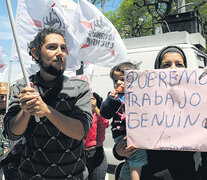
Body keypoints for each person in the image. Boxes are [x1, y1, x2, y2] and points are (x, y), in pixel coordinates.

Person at [3, 27, 92, 180]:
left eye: (63, 48)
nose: (60, 53)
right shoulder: (22, 87)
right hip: (30, 175)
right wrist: (25, 110)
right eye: (52, 47)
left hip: (73, 175)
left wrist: (47, 111)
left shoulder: (80, 87)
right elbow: (12, 133)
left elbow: (80, 131)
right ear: (36, 53)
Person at [113, 46, 198, 180]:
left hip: (185, 174)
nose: (173, 69)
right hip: (151, 175)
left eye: (179, 64)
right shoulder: (141, 98)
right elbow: (122, 134)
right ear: (157, 69)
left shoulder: (197, 100)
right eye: (166, 65)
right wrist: (119, 150)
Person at [100, 62, 148, 180]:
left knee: (130, 161)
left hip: (135, 132)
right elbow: (105, 114)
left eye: (122, 79)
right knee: (138, 155)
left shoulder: (139, 95)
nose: (118, 83)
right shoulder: (114, 97)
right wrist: (111, 100)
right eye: (115, 80)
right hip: (122, 133)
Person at [84, 92, 109, 180]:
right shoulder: (82, 115)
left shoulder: (97, 115)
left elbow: (105, 122)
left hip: (96, 153)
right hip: (81, 154)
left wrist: (95, 108)